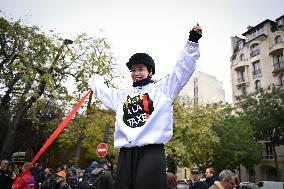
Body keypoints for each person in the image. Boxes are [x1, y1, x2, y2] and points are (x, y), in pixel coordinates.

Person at [88, 24, 202, 189]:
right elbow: (103, 91)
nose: (136, 73)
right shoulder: (122, 96)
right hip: (127, 153)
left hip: (151, 151)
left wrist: (192, 41)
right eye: (133, 70)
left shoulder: (162, 90)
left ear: (150, 71)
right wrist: (94, 81)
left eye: (140, 69)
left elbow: (181, 71)